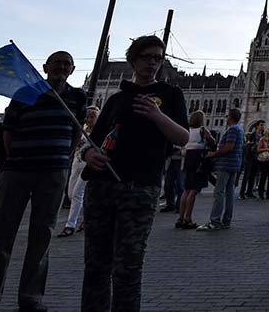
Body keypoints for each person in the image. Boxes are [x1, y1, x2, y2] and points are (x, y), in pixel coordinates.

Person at [0, 51, 87, 312]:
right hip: (18, 171)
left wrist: (61, 158)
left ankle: (31, 298)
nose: (61, 67)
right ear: (45, 67)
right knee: (2, 237)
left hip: (53, 172)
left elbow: (77, 130)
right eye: (56, 62)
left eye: (66, 63)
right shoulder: (24, 92)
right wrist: (20, 159)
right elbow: (8, 133)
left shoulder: (77, 96)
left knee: (42, 235)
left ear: (73, 69)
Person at [80, 35, 189, 312]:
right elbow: (94, 139)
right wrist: (87, 154)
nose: (152, 62)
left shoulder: (171, 95)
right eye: (146, 57)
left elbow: (182, 138)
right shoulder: (117, 98)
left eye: (158, 57)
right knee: (95, 265)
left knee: (128, 267)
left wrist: (157, 114)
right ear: (133, 59)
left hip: (140, 188)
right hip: (102, 186)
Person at [58, 106, 100, 238]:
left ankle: (70, 225)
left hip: (88, 167)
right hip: (76, 164)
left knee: (77, 194)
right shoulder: (81, 130)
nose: (88, 119)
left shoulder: (100, 132)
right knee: (71, 195)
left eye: (92, 116)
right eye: (87, 116)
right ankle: (86, 218)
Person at [200, 108, 244, 230]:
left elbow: (228, 148)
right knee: (230, 194)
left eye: (227, 115)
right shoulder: (240, 129)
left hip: (225, 165)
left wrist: (213, 154)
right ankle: (226, 221)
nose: (226, 117)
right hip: (234, 164)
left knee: (219, 193)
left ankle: (214, 221)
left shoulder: (232, 130)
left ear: (231, 117)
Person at [178, 110, 214, 229]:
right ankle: (188, 219)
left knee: (186, 190)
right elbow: (212, 142)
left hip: (188, 158)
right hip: (198, 160)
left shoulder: (187, 130)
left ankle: (180, 218)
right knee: (193, 191)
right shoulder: (202, 130)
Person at [239, 123, 261, 199]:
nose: (262, 126)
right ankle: (242, 193)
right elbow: (247, 148)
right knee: (246, 176)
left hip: (256, 159)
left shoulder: (261, 137)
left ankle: (249, 192)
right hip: (249, 159)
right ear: (257, 126)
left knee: (253, 176)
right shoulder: (251, 137)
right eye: (260, 125)